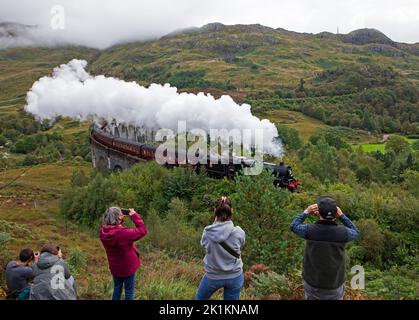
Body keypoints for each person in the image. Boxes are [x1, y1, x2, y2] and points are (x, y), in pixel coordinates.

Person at [290, 196, 360, 300]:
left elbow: (294, 226)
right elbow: (356, 232)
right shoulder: (343, 233)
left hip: (313, 283)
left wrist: (306, 212)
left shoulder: (309, 230)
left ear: (318, 213)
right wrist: (342, 216)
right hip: (335, 284)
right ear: (336, 213)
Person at [196, 196, 245, 300]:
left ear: (215, 212)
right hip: (235, 275)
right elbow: (241, 245)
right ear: (232, 211)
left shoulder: (208, 233)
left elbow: (204, 245)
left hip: (213, 275)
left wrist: (216, 222)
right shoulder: (239, 232)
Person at [99, 207, 147, 300]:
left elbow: (115, 230)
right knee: (129, 292)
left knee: (117, 290)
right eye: (120, 214)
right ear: (119, 218)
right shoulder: (123, 233)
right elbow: (142, 230)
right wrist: (134, 215)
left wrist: (119, 221)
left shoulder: (103, 232)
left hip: (115, 267)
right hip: (128, 268)